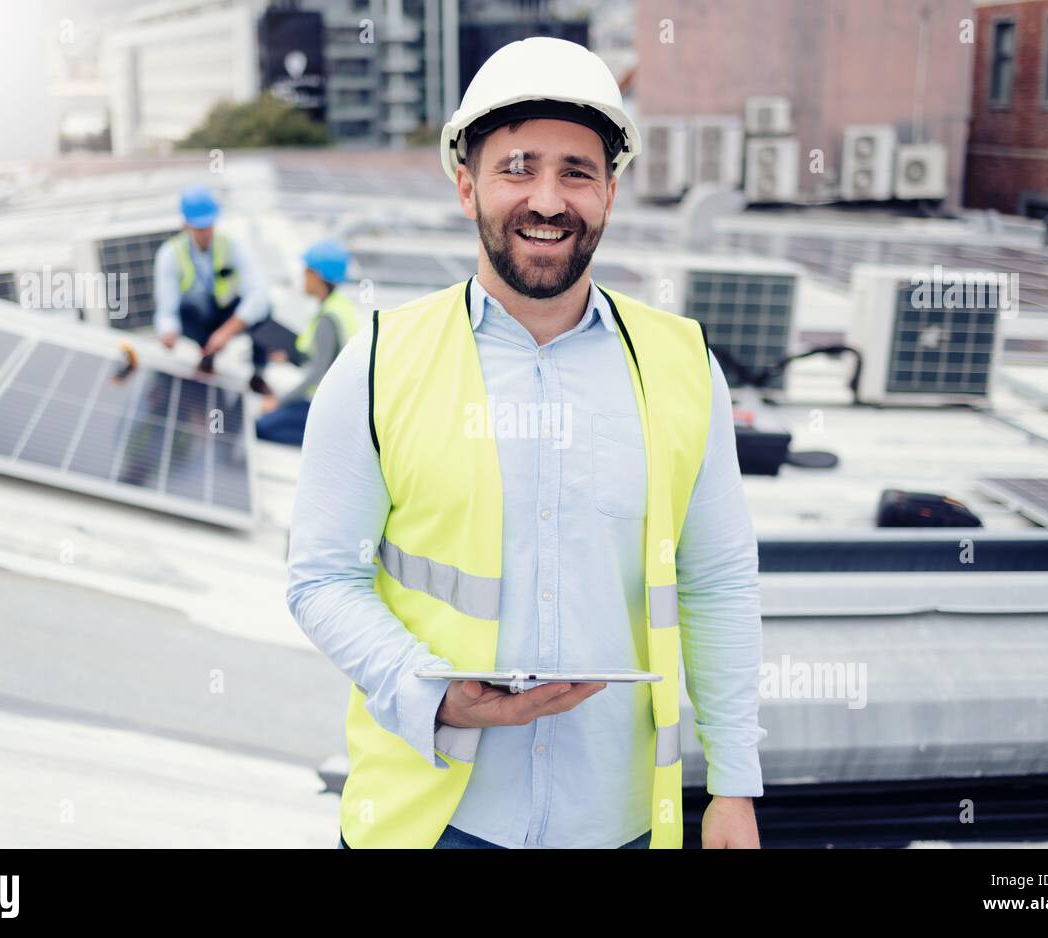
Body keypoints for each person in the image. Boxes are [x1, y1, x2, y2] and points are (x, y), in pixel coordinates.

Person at [286, 37, 766, 849]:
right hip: (433, 820)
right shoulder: (374, 362)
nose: (548, 198)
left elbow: (717, 581)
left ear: (610, 192)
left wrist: (734, 786)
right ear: (467, 183)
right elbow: (321, 577)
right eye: (518, 168)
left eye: (576, 171)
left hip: (615, 826)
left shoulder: (684, 366)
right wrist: (429, 690)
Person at [153, 185, 275, 395]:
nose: (206, 232)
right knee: (192, 306)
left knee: (264, 310)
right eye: (199, 227)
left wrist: (227, 331)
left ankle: (258, 374)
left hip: (227, 312)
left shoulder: (232, 247)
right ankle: (207, 359)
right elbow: (167, 309)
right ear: (185, 224)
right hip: (199, 318)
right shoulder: (170, 254)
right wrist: (168, 332)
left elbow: (258, 294)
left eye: (209, 225)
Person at [256, 240, 362, 446]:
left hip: (327, 409)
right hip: (335, 404)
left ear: (317, 276)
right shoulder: (338, 306)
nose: (302, 277)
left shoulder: (327, 319)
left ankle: (331, 440)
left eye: (306, 271)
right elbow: (328, 357)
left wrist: (278, 402)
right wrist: (290, 358)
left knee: (262, 427)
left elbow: (316, 374)